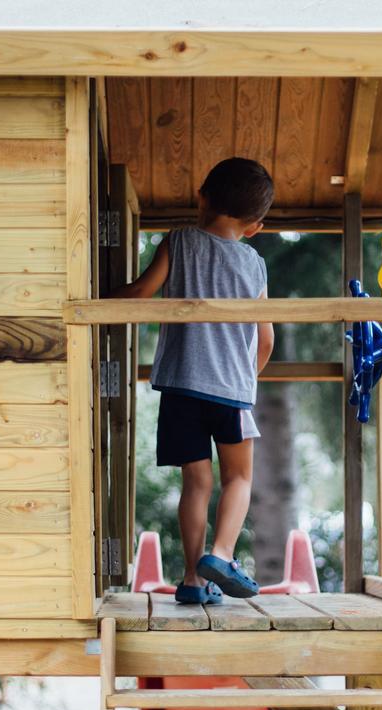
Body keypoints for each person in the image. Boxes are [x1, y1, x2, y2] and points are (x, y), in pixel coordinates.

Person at [109, 157, 275, 604]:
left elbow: (141, 294)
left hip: (181, 386)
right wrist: (245, 378)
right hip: (232, 390)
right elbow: (265, 339)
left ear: (202, 196)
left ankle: (192, 580)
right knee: (238, 477)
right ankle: (221, 555)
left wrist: (100, 298)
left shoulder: (180, 241)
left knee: (196, 482)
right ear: (255, 225)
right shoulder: (255, 265)